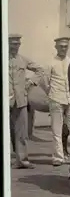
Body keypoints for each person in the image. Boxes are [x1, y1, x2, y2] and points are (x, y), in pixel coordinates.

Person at [9, 34, 44, 169]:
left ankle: (22, 160)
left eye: (17, 44)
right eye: (12, 44)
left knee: (21, 133)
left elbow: (40, 70)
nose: (15, 47)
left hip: (20, 101)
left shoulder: (23, 60)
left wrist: (31, 82)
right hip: (6, 100)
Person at [43, 37, 70, 167]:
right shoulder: (50, 62)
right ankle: (58, 157)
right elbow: (44, 81)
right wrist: (50, 93)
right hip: (56, 98)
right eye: (61, 46)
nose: (63, 48)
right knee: (57, 130)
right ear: (56, 47)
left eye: (65, 46)